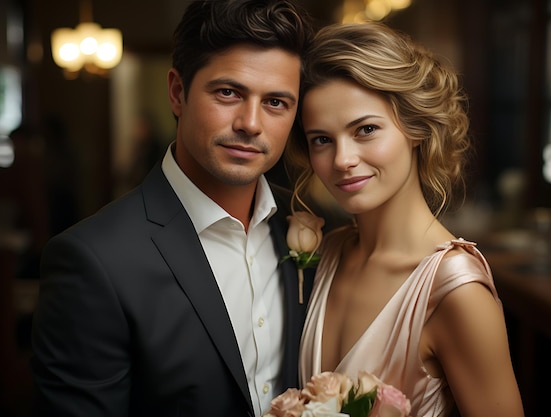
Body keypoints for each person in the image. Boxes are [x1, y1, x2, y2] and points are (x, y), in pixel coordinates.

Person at [30, 1, 315, 416]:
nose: (250, 123)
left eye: (275, 102)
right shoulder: (92, 260)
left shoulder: (313, 230)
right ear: (178, 93)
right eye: (228, 92)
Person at [287, 22, 525, 417]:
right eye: (321, 140)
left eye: (365, 130)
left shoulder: (456, 293)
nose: (342, 160)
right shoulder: (327, 252)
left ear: (415, 128)